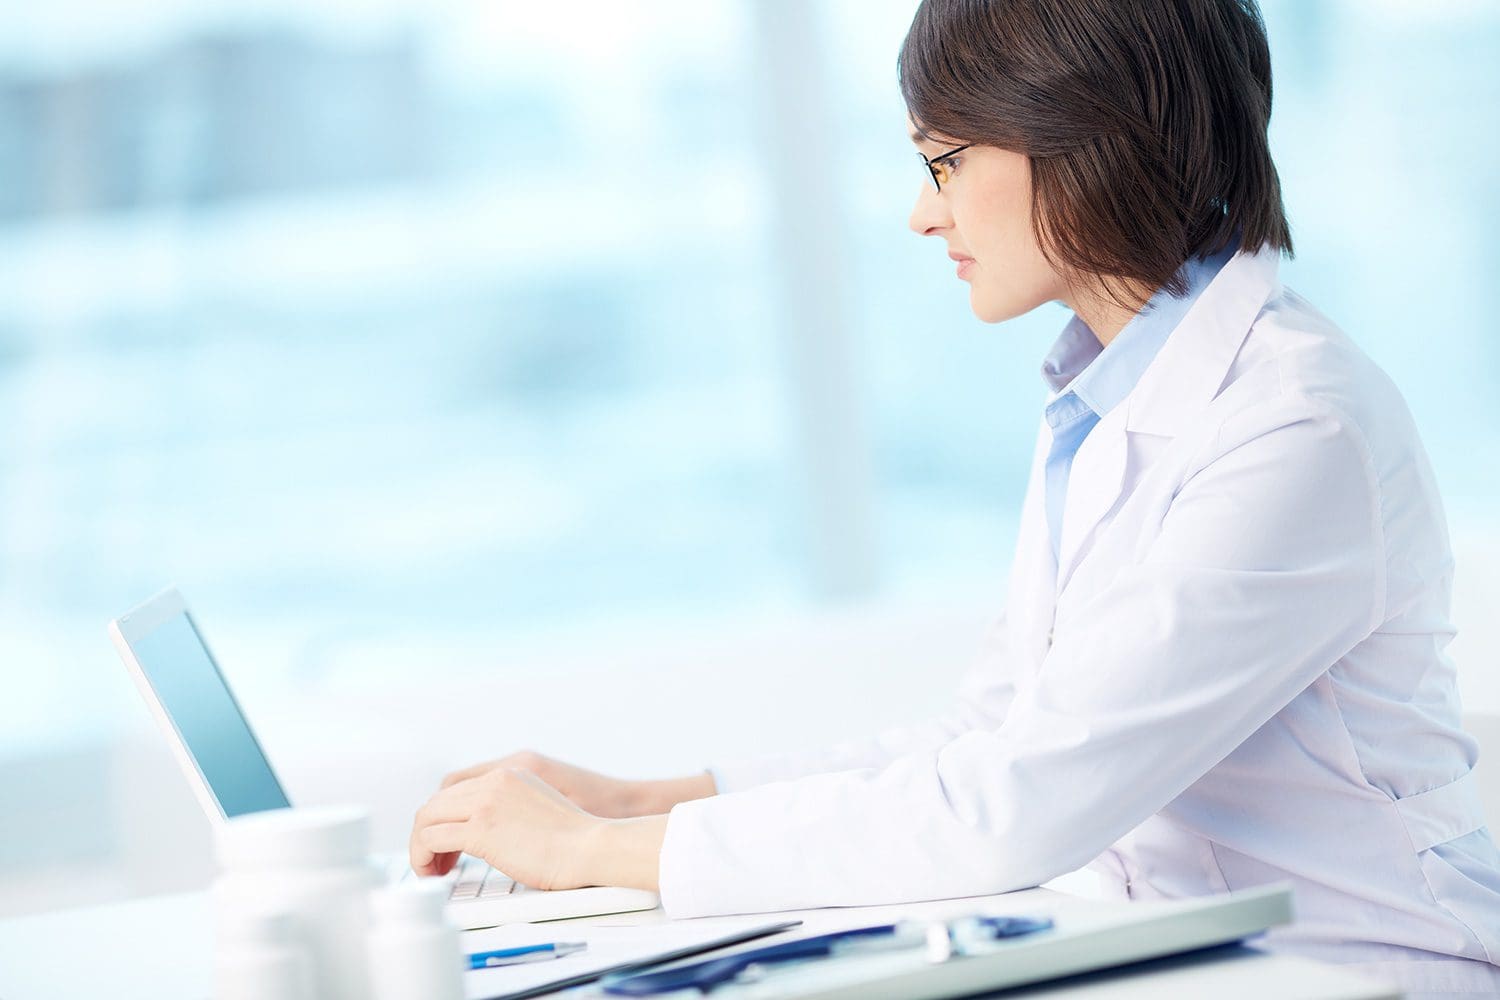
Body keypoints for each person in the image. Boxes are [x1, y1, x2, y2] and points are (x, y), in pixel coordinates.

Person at [409, 1, 1500, 994]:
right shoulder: (1110, 390)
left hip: (1361, 967)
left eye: (944, 162)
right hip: (1191, 956)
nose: (922, 216)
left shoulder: (1297, 423)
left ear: (1081, 134)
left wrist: (588, 854)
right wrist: (637, 802)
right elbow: (986, 734)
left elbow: (1017, 803)